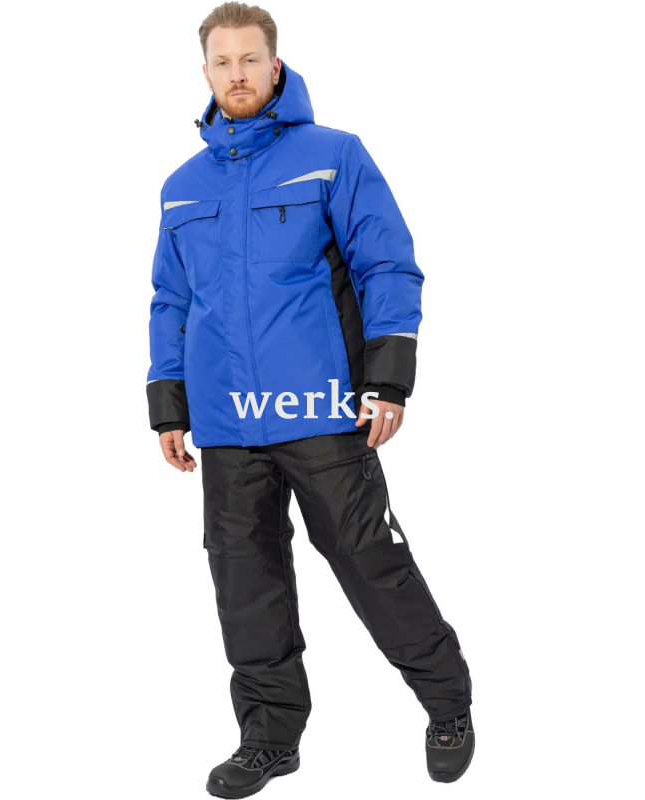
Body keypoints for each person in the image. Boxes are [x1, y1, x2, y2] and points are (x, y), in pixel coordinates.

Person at [146, 3, 474, 795]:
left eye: (249, 59)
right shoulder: (182, 187)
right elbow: (171, 300)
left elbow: (386, 264)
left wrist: (387, 379)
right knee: (245, 582)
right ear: (205, 72)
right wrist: (170, 403)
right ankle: (269, 736)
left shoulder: (332, 155)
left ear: (275, 64)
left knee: (370, 564)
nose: (236, 74)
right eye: (222, 62)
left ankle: (447, 703)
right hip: (227, 420)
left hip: (319, 408)